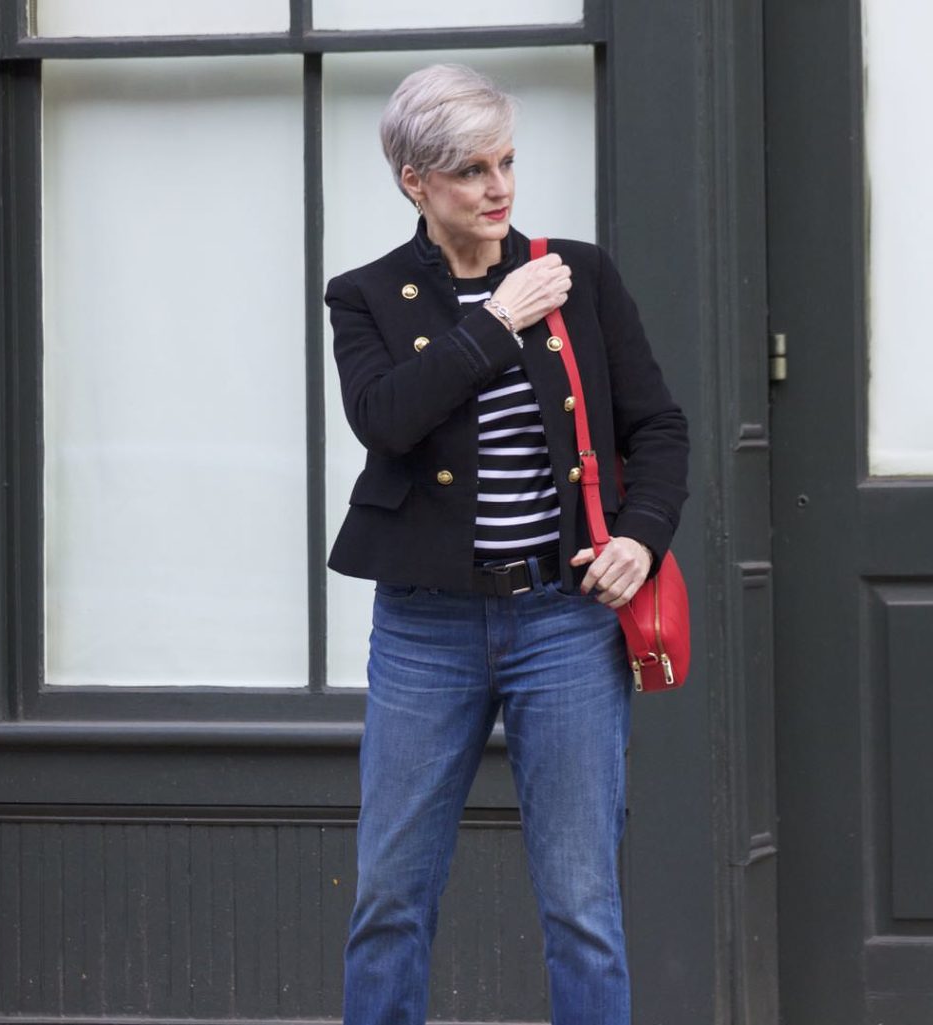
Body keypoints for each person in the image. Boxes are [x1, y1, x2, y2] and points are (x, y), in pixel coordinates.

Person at [325, 63, 689, 1025]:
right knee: (390, 896)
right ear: (415, 180)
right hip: (423, 631)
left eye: (508, 161)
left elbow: (656, 427)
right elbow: (385, 420)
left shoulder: (578, 273)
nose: (499, 188)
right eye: (471, 170)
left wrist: (642, 540)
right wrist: (496, 321)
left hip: (564, 625)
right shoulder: (365, 296)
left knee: (581, 905)